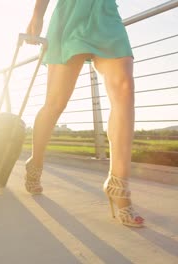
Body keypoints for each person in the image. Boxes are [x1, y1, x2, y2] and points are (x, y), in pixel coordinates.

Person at [25, 0, 144, 227]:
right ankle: (35, 162)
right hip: (70, 14)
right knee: (55, 103)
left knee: (125, 88)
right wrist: (37, 14)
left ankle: (118, 184)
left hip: (105, 14)